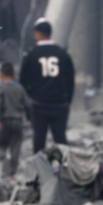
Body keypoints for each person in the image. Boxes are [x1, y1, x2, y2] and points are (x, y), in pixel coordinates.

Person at [19, 18, 75, 154]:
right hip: (60, 104)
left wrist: (29, 99)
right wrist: (68, 100)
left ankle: (40, 166)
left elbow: (23, 81)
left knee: (39, 140)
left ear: (37, 33)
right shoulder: (63, 54)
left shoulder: (31, 55)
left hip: (39, 105)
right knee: (61, 140)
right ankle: (64, 165)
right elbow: (71, 79)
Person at [0, 62, 30, 179]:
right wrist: (28, 117)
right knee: (15, 148)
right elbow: (28, 104)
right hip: (18, 121)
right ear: (14, 74)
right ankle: (11, 174)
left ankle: (4, 161)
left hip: (4, 121)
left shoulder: (0, 88)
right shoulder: (19, 88)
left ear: (1, 74)